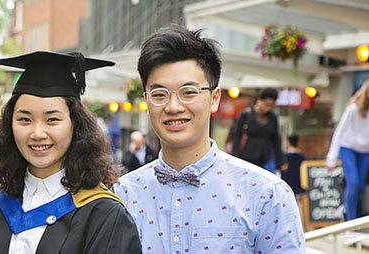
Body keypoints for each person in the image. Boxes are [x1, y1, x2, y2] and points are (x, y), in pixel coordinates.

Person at [113, 25, 305, 253]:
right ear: (146, 101)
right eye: (159, 95)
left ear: (214, 98)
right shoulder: (122, 195)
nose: (173, 107)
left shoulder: (266, 194)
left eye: (188, 92)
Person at [0, 51, 142, 254]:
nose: (37, 134)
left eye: (52, 119)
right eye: (24, 120)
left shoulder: (103, 214)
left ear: (76, 125)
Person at [326, 80, 369, 221]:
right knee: (354, 182)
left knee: (361, 187)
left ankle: (347, 209)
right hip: (348, 148)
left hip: (365, 151)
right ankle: (349, 219)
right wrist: (331, 158)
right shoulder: (353, 109)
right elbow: (339, 132)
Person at [231, 88, 287, 173]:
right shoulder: (245, 115)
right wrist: (235, 158)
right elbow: (236, 136)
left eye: (271, 106)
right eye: (266, 104)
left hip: (267, 158)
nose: (268, 108)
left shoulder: (272, 118)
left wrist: (281, 160)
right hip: (247, 158)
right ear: (259, 101)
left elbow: (276, 139)